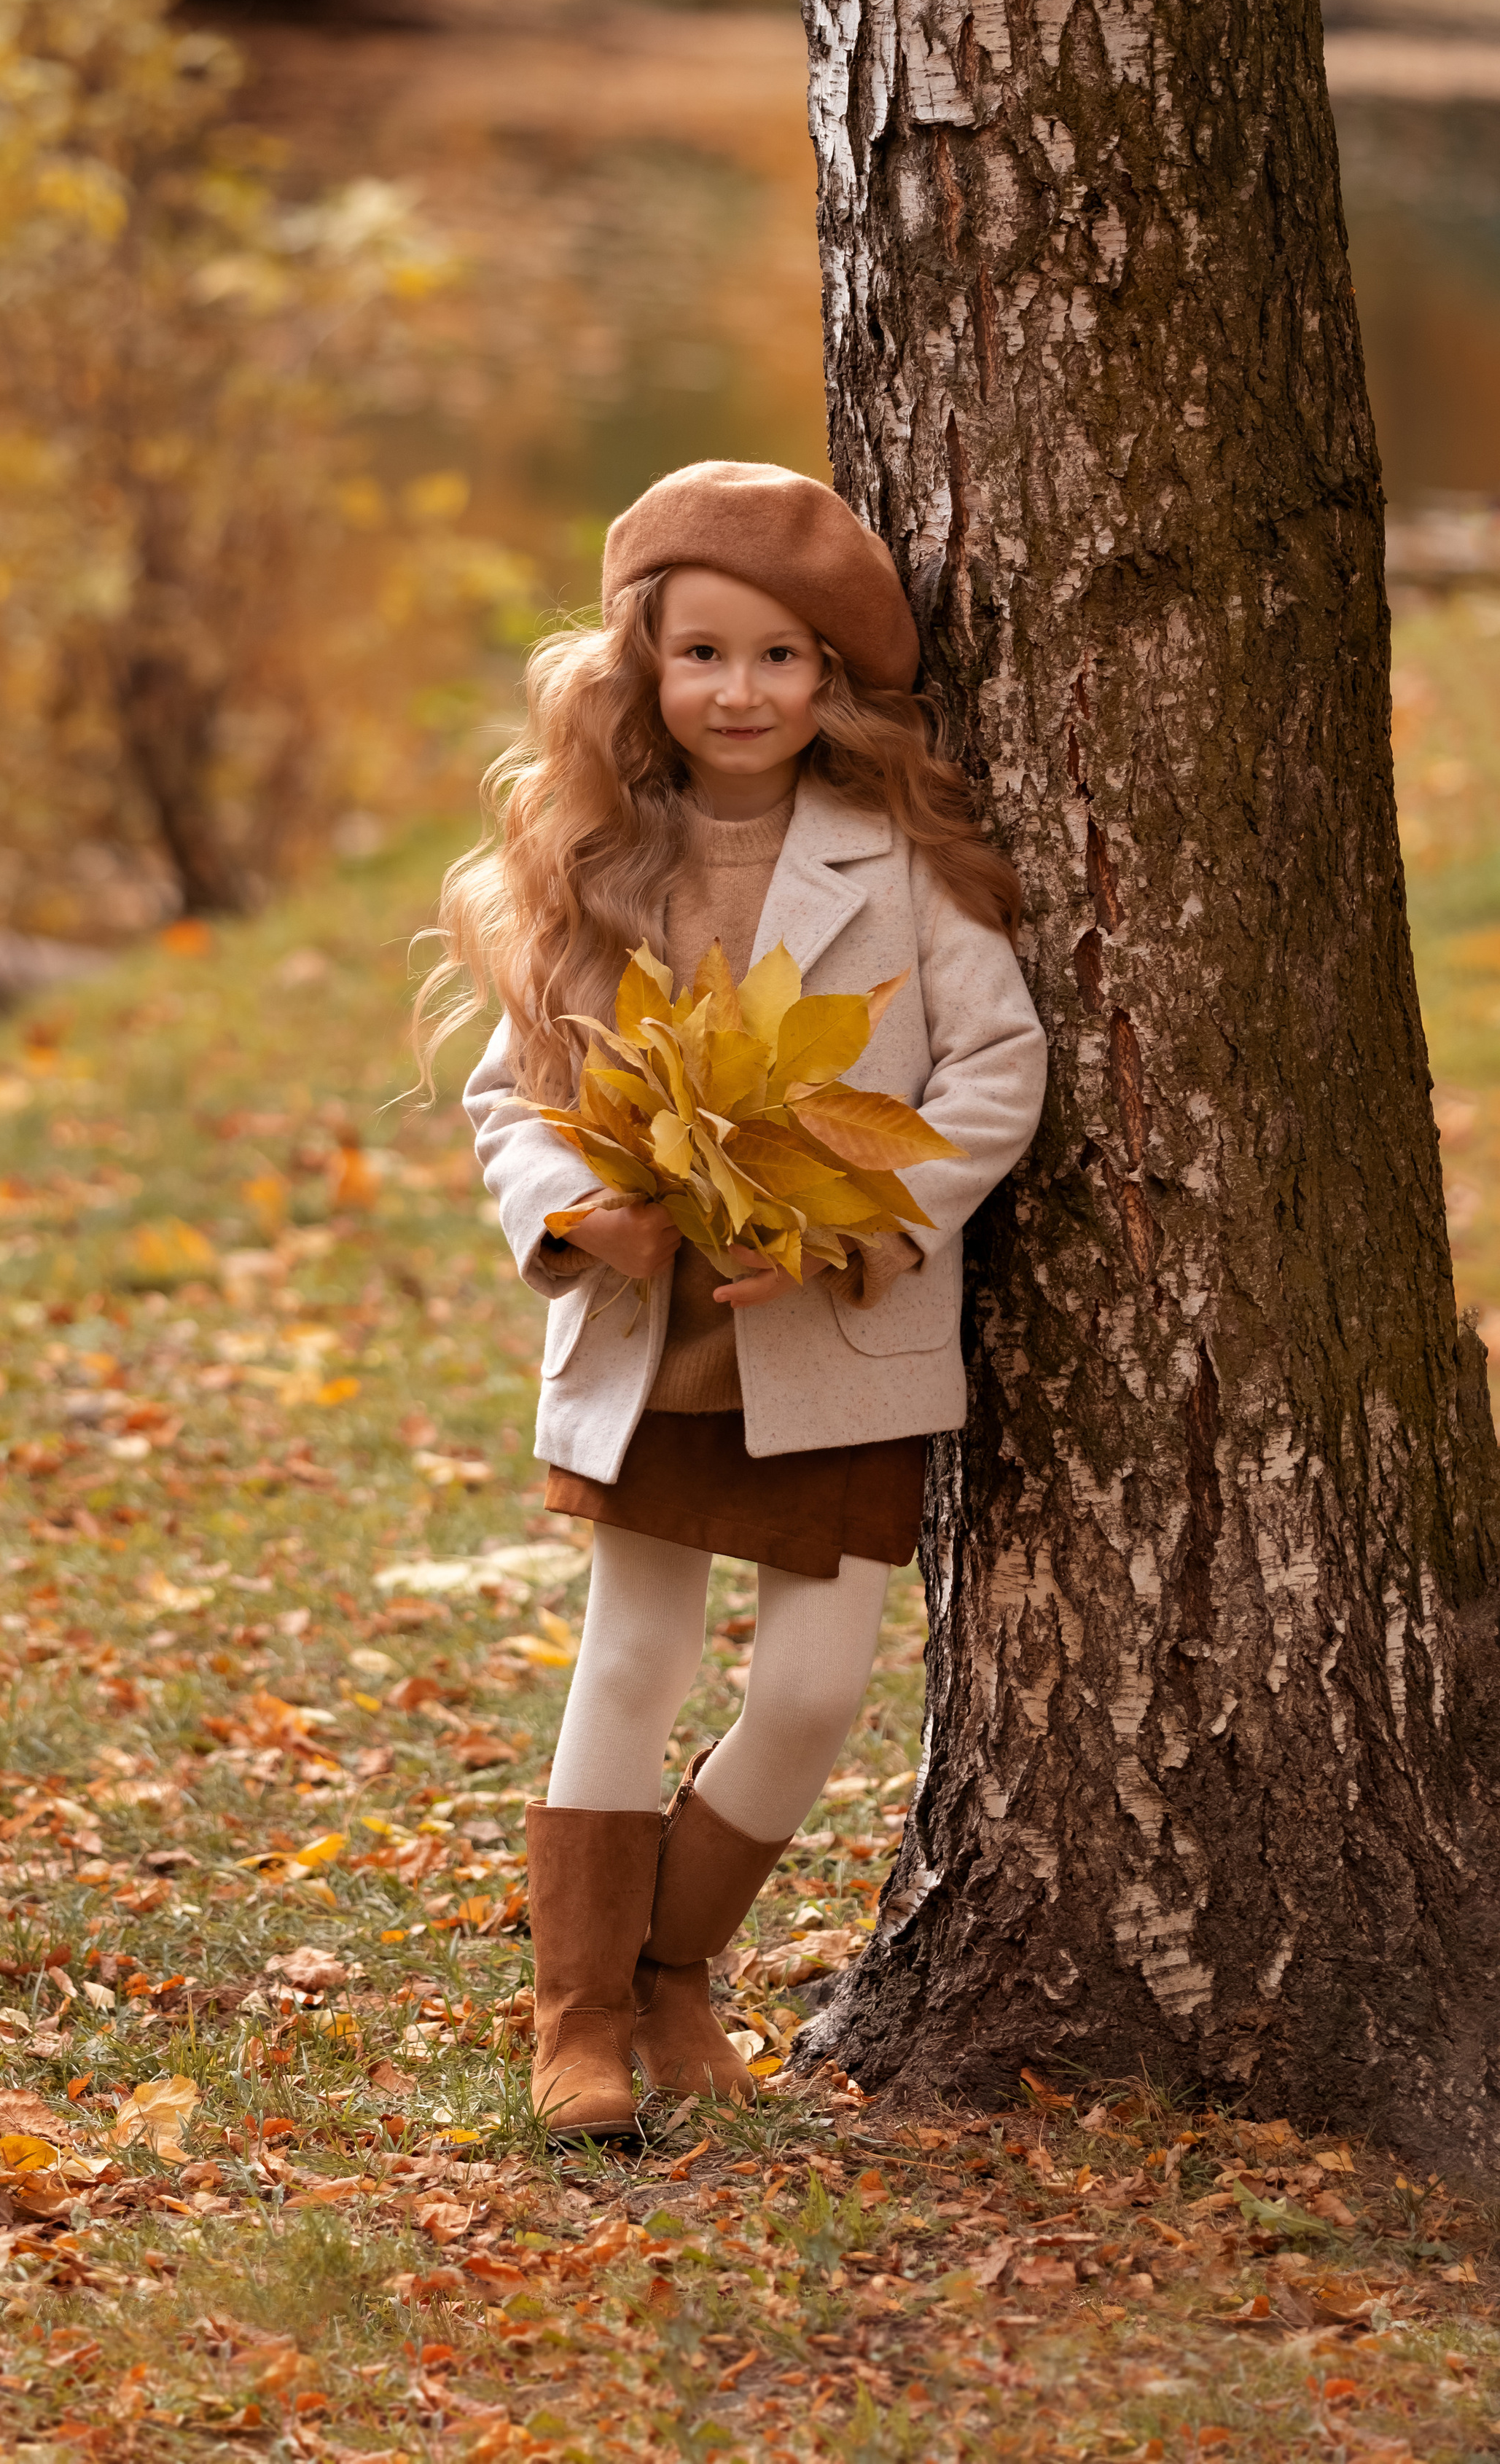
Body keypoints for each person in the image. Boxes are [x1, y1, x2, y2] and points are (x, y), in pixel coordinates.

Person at [417, 459, 1047, 2136]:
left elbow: (996, 1067)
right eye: (703, 655)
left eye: (780, 659)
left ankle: (670, 1966)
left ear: (831, 681)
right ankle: (574, 2025)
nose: (741, 692)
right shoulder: (595, 869)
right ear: (642, 667)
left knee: (816, 1687)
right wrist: (575, 1213)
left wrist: (864, 1224)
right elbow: (506, 1101)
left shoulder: (893, 861)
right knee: (630, 1656)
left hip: (831, 1328)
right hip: (655, 1331)